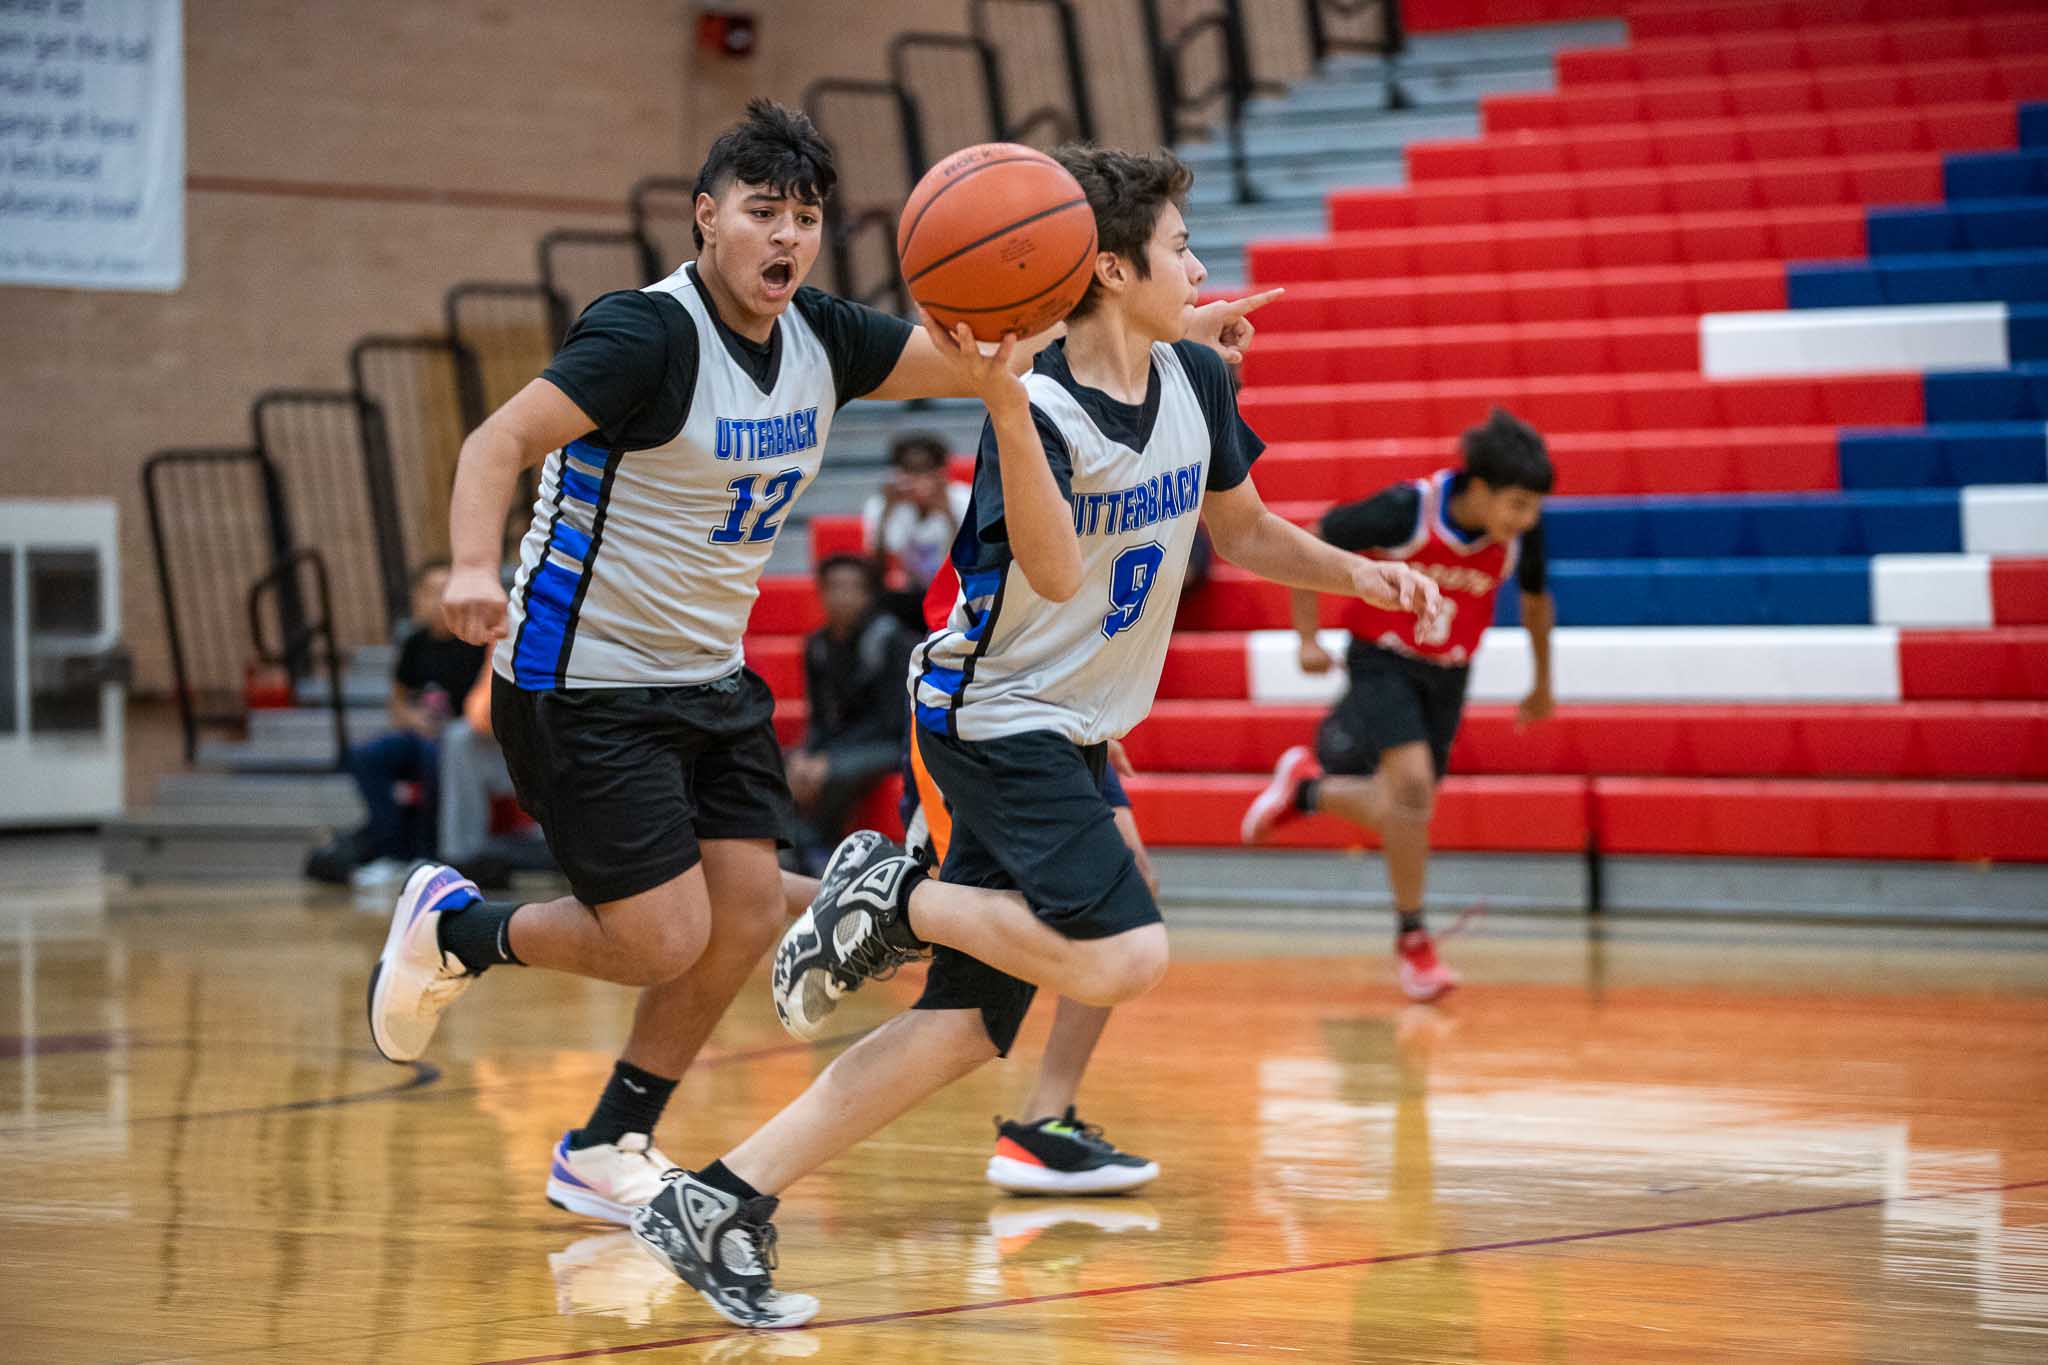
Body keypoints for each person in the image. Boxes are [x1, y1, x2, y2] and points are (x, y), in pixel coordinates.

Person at [366, 100, 1270, 1231]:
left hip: (709, 673)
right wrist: (465, 566)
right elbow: (495, 440)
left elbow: (991, 358)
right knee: (663, 937)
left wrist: (1159, 332)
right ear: (707, 219)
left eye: (803, 216)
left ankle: (609, 1142)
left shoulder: (824, 337)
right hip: (579, 674)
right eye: (760, 213)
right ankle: (456, 928)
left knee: (743, 921)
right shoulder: (643, 335)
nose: (784, 237)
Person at [628, 143, 1442, 1329]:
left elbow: (1249, 533)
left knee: (963, 1027)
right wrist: (1005, 405)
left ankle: (718, 1196)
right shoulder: (1042, 408)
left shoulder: (1197, 379)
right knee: (1123, 952)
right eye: (1177, 249)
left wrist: (1366, 580)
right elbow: (1055, 577)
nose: (1201, 267)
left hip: (1070, 730)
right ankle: (886, 899)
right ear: (1107, 268)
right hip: (989, 719)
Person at [1239, 408, 1556, 1002]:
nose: (1528, 519)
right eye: (1517, 504)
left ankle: (1306, 789)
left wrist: (1542, 683)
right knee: (1412, 790)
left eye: (1534, 508)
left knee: (1405, 808)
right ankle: (1414, 941)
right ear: (1480, 488)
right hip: (1381, 657)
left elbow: (1537, 603)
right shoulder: (1409, 509)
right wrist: (1306, 637)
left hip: (1449, 675)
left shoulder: (1519, 533)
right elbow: (1316, 538)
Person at [315, 562, 484, 887]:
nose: (440, 599)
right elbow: (397, 701)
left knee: (433, 755)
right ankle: (392, 850)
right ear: (418, 598)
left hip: (459, 739)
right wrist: (413, 719)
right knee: (363, 757)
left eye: (446, 590)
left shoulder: (473, 642)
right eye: (432, 592)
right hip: (416, 735)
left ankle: (427, 854)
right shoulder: (415, 643)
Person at [786, 554, 914, 872]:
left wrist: (827, 759)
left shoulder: (890, 639)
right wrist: (808, 752)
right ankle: (798, 845)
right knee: (780, 763)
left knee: (834, 771)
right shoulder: (817, 645)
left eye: (851, 588)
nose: (841, 596)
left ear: (868, 594)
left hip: (892, 742)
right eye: (833, 587)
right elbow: (820, 718)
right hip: (844, 743)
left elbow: (891, 721)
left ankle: (818, 846)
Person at [862, 429, 969, 629]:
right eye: (909, 470)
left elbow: (969, 563)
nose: (917, 479)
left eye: (924, 470)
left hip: (957, 591)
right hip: (913, 592)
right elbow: (877, 570)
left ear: (941, 472)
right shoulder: (882, 505)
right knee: (876, 604)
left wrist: (948, 515)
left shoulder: (962, 499)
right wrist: (887, 512)